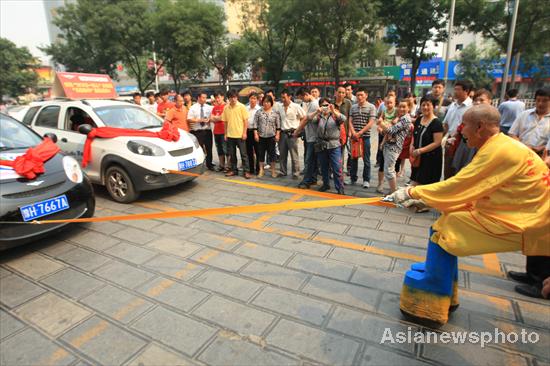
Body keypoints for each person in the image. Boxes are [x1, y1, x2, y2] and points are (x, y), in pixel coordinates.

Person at [388, 104, 549, 325]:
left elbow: (460, 185)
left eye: (464, 125)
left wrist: (412, 191)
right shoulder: (501, 145)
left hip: (528, 218)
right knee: (451, 216)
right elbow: (473, 187)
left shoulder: (498, 151)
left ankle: (431, 299)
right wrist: (424, 196)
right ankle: (444, 286)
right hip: (522, 210)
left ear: (480, 127)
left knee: (444, 229)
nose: (460, 130)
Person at [307, 97, 346, 194]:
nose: (325, 107)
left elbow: (343, 119)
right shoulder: (319, 117)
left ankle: (340, 187)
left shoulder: (334, 116)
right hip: (321, 145)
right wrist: (317, 111)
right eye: (323, 105)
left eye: (326, 105)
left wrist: (333, 111)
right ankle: (326, 184)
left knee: (337, 167)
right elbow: (309, 118)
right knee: (324, 167)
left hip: (334, 145)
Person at [450, 88, 492, 175]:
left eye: (481, 100)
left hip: (482, 150)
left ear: (489, 101)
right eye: (475, 100)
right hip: (465, 148)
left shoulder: (493, 118)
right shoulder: (469, 115)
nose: (478, 102)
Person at [409, 95, 444, 201]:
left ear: (433, 106)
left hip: (430, 157)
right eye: (423, 105)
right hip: (418, 157)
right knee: (416, 179)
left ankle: (423, 203)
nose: (425, 107)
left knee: (425, 182)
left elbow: (437, 142)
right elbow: (414, 136)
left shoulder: (436, 123)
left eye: (428, 105)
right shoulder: (419, 119)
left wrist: (420, 150)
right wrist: (411, 145)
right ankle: (417, 200)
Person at [379, 99, 412, 193]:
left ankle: (393, 192)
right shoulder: (400, 117)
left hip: (394, 147)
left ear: (408, 108)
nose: (401, 108)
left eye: (404, 107)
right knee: (389, 170)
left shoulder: (405, 119)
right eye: (400, 106)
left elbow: (391, 130)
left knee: (389, 170)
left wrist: (380, 123)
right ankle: (393, 191)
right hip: (389, 145)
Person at [442, 80, 473, 179]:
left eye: (458, 90)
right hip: (450, 141)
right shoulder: (452, 105)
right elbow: (446, 124)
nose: (455, 92)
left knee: (460, 169)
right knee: (448, 168)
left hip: (464, 142)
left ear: (466, 91)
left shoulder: (471, 107)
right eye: (455, 89)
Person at [348, 87, 377, 188]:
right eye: (358, 95)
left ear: (366, 95)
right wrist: (353, 132)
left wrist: (359, 133)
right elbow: (350, 120)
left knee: (366, 159)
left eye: (361, 95)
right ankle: (352, 178)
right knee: (353, 159)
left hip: (365, 137)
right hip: (354, 138)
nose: (359, 97)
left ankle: (366, 180)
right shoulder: (353, 107)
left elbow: (371, 123)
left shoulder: (371, 107)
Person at [509, 88, 550, 157]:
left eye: (545, 101)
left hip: (541, 156)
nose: (540, 103)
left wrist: (540, 148)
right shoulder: (524, 115)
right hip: (520, 152)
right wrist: (522, 146)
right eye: (538, 100)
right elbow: (512, 133)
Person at [222, 89, 251, 178]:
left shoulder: (242, 107)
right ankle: (234, 170)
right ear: (228, 98)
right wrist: (225, 134)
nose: (233, 99)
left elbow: (245, 121)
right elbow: (225, 122)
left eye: (234, 97)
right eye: (231, 97)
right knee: (232, 154)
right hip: (230, 135)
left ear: (237, 97)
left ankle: (246, 171)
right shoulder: (226, 108)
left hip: (240, 135)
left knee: (243, 154)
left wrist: (244, 133)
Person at [295, 88, 320, 188]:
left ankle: (306, 181)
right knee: (313, 160)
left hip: (313, 137)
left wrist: (297, 130)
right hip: (311, 136)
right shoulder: (311, 104)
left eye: (302, 98)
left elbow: (306, 119)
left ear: (305, 94)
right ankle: (313, 179)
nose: (302, 101)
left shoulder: (314, 104)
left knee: (309, 160)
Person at [278, 89, 305, 178]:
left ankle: (295, 173)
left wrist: (299, 130)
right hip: (283, 133)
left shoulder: (296, 106)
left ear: (289, 97)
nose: (283, 99)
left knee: (294, 154)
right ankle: (283, 171)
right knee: (282, 154)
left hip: (292, 133)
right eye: (281, 97)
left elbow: (304, 118)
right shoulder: (280, 107)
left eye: (284, 97)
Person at [253, 95, 281, 178]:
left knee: (272, 154)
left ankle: (273, 171)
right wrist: (255, 134)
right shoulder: (259, 112)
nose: (266, 103)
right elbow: (255, 124)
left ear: (271, 103)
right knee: (261, 154)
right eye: (264, 101)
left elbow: (278, 125)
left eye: (268, 102)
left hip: (271, 136)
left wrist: (278, 134)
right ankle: (261, 170)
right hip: (261, 136)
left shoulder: (275, 113)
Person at [188, 91, 215, 170]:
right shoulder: (193, 107)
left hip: (207, 130)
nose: (205, 99)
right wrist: (198, 120)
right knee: (199, 149)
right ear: (199, 98)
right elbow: (189, 119)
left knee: (209, 148)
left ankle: (209, 164)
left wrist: (209, 119)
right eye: (203, 97)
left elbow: (214, 114)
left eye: (205, 98)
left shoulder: (209, 107)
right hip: (197, 131)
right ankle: (200, 165)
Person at [376, 95, 397, 193]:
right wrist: (380, 127)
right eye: (387, 103)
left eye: (391, 103)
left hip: (393, 138)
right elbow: (379, 121)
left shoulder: (396, 111)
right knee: (382, 161)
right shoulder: (384, 111)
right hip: (383, 135)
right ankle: (380, 183)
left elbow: (396, 123)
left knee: (392, 164)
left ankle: (392, 187)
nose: (389, 104)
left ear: (394, 103)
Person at [334, 86, 352, 174]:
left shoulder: (348, 103)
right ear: (335, 92)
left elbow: (350, 118)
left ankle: (339, 172)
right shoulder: (331, 103)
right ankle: (332, 171)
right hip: (332, 132)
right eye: (339, 92)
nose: (341, 94)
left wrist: (349, 131)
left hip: (344, 133)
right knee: (332, 152)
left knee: (341, 152)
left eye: (343, 93)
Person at [210, 91, 229, 172]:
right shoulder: (214, 108)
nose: (217, 99)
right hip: (216, 131)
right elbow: (211, 118)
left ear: (222, 97)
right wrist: (218, 118)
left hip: (224, 131)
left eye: (219, 97)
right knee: (219, 150)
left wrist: (216, 118)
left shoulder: (226, 106)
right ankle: (221, 165)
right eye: (216, 98)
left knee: (226, 150)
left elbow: (223, 118)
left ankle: (228, 166)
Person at [246, 93, 261, 175]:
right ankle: (251, 169)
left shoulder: (259, 109)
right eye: (251, 98)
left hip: (257, 132)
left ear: (257, 100)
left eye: (254, 98)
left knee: (258, 151)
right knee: (249, 152)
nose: (252, 100)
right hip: (248, 132)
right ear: (249, 99)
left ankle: (258, 169)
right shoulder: (245, 108)